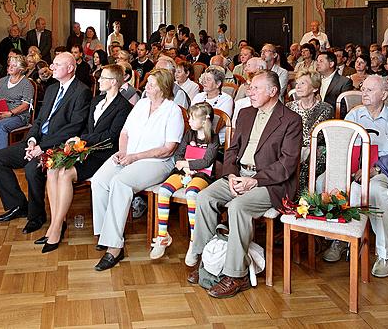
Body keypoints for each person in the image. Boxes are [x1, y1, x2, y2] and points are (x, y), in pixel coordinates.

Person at [187, 71, 303, 297]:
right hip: (239, 175)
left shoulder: (290, 119)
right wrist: (231, 175)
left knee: (238, 207)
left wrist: (254, 181)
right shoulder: (246, 113)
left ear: (273, 91)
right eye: (249, 87)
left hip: (271, 184)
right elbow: (231, 150)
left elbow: (287, 165)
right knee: (204, 197)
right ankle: (206, 262)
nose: (249, 92)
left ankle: (235, 274)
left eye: (256, 88)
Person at [0, 52, 91, 235]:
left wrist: (41, 148)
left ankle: (36, 216)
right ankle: (19, 206)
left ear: (70, 68)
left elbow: (73, 128)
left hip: (58, 145)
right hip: (38, 141)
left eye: (57, 65)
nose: (51, 67)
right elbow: (39, 120)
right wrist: (32, 140)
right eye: (53, 64)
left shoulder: (81, 91)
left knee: (31, 170)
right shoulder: (52, 89)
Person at [91, 69, 184, 271]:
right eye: (147, 82)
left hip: (157, 162)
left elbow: (168, 148)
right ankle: (104, 234)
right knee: (99, 180)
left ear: (164, 87)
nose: (147, 86)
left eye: (152, 83)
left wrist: (134, 157)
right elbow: (124, 132)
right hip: (130, 155)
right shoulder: (141, 104)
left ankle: (114, 247)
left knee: (120, 182)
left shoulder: (173, 110)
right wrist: (123, 152)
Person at [323, 75, 388, 278]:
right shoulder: (354, 116)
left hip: (382, 170)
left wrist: (374, 170)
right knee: (334, 185)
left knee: (375, 193)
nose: (364, 93)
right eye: (363, 89)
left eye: (370, 90)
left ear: (384, 94)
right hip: (354, 168)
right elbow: (343, 146)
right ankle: (341, 239)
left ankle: (384, 254)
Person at [38, 64, 132, 253]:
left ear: (113, 82)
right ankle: (57, 222)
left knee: (65, 174)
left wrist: (82, 140)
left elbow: (111, 136)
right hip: (86, 148)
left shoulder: (123, 106)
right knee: (52, 168)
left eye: (103, 78)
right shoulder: (97, 100)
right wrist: (77, 142)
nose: (98, 80)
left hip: (104, 153)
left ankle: (55, 229)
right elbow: (87, 128)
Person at [150, 102, 219, 261]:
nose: (188, 121)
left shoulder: (213, 138)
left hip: (203, 175)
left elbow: (207, 161)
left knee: (191, 194)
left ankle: (194, 241)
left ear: (204, 121)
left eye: (192, 118)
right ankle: (163, 236)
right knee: (164, 190)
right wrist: (185, 166)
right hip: (184, 171)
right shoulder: (189, 134)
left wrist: (189, 164)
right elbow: (179, 154)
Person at [286, 71, 333, 192]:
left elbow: (316, 135)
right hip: (293, 148)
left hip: (315, 149)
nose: (298, 86)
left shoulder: (325, 108)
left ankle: (304, 202)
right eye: (297, 83)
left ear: (314, 88)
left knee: (308, 155)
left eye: (303, 83)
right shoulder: (289, 106)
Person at [191, 66, 234, 144]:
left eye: (208, 80)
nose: (204, 82)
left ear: (218, 84)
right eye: (204, 79)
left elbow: (217, 125)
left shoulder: (226, 99)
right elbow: (190, 117)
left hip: (215, 140)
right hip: (195, 136)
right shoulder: (199, 96)